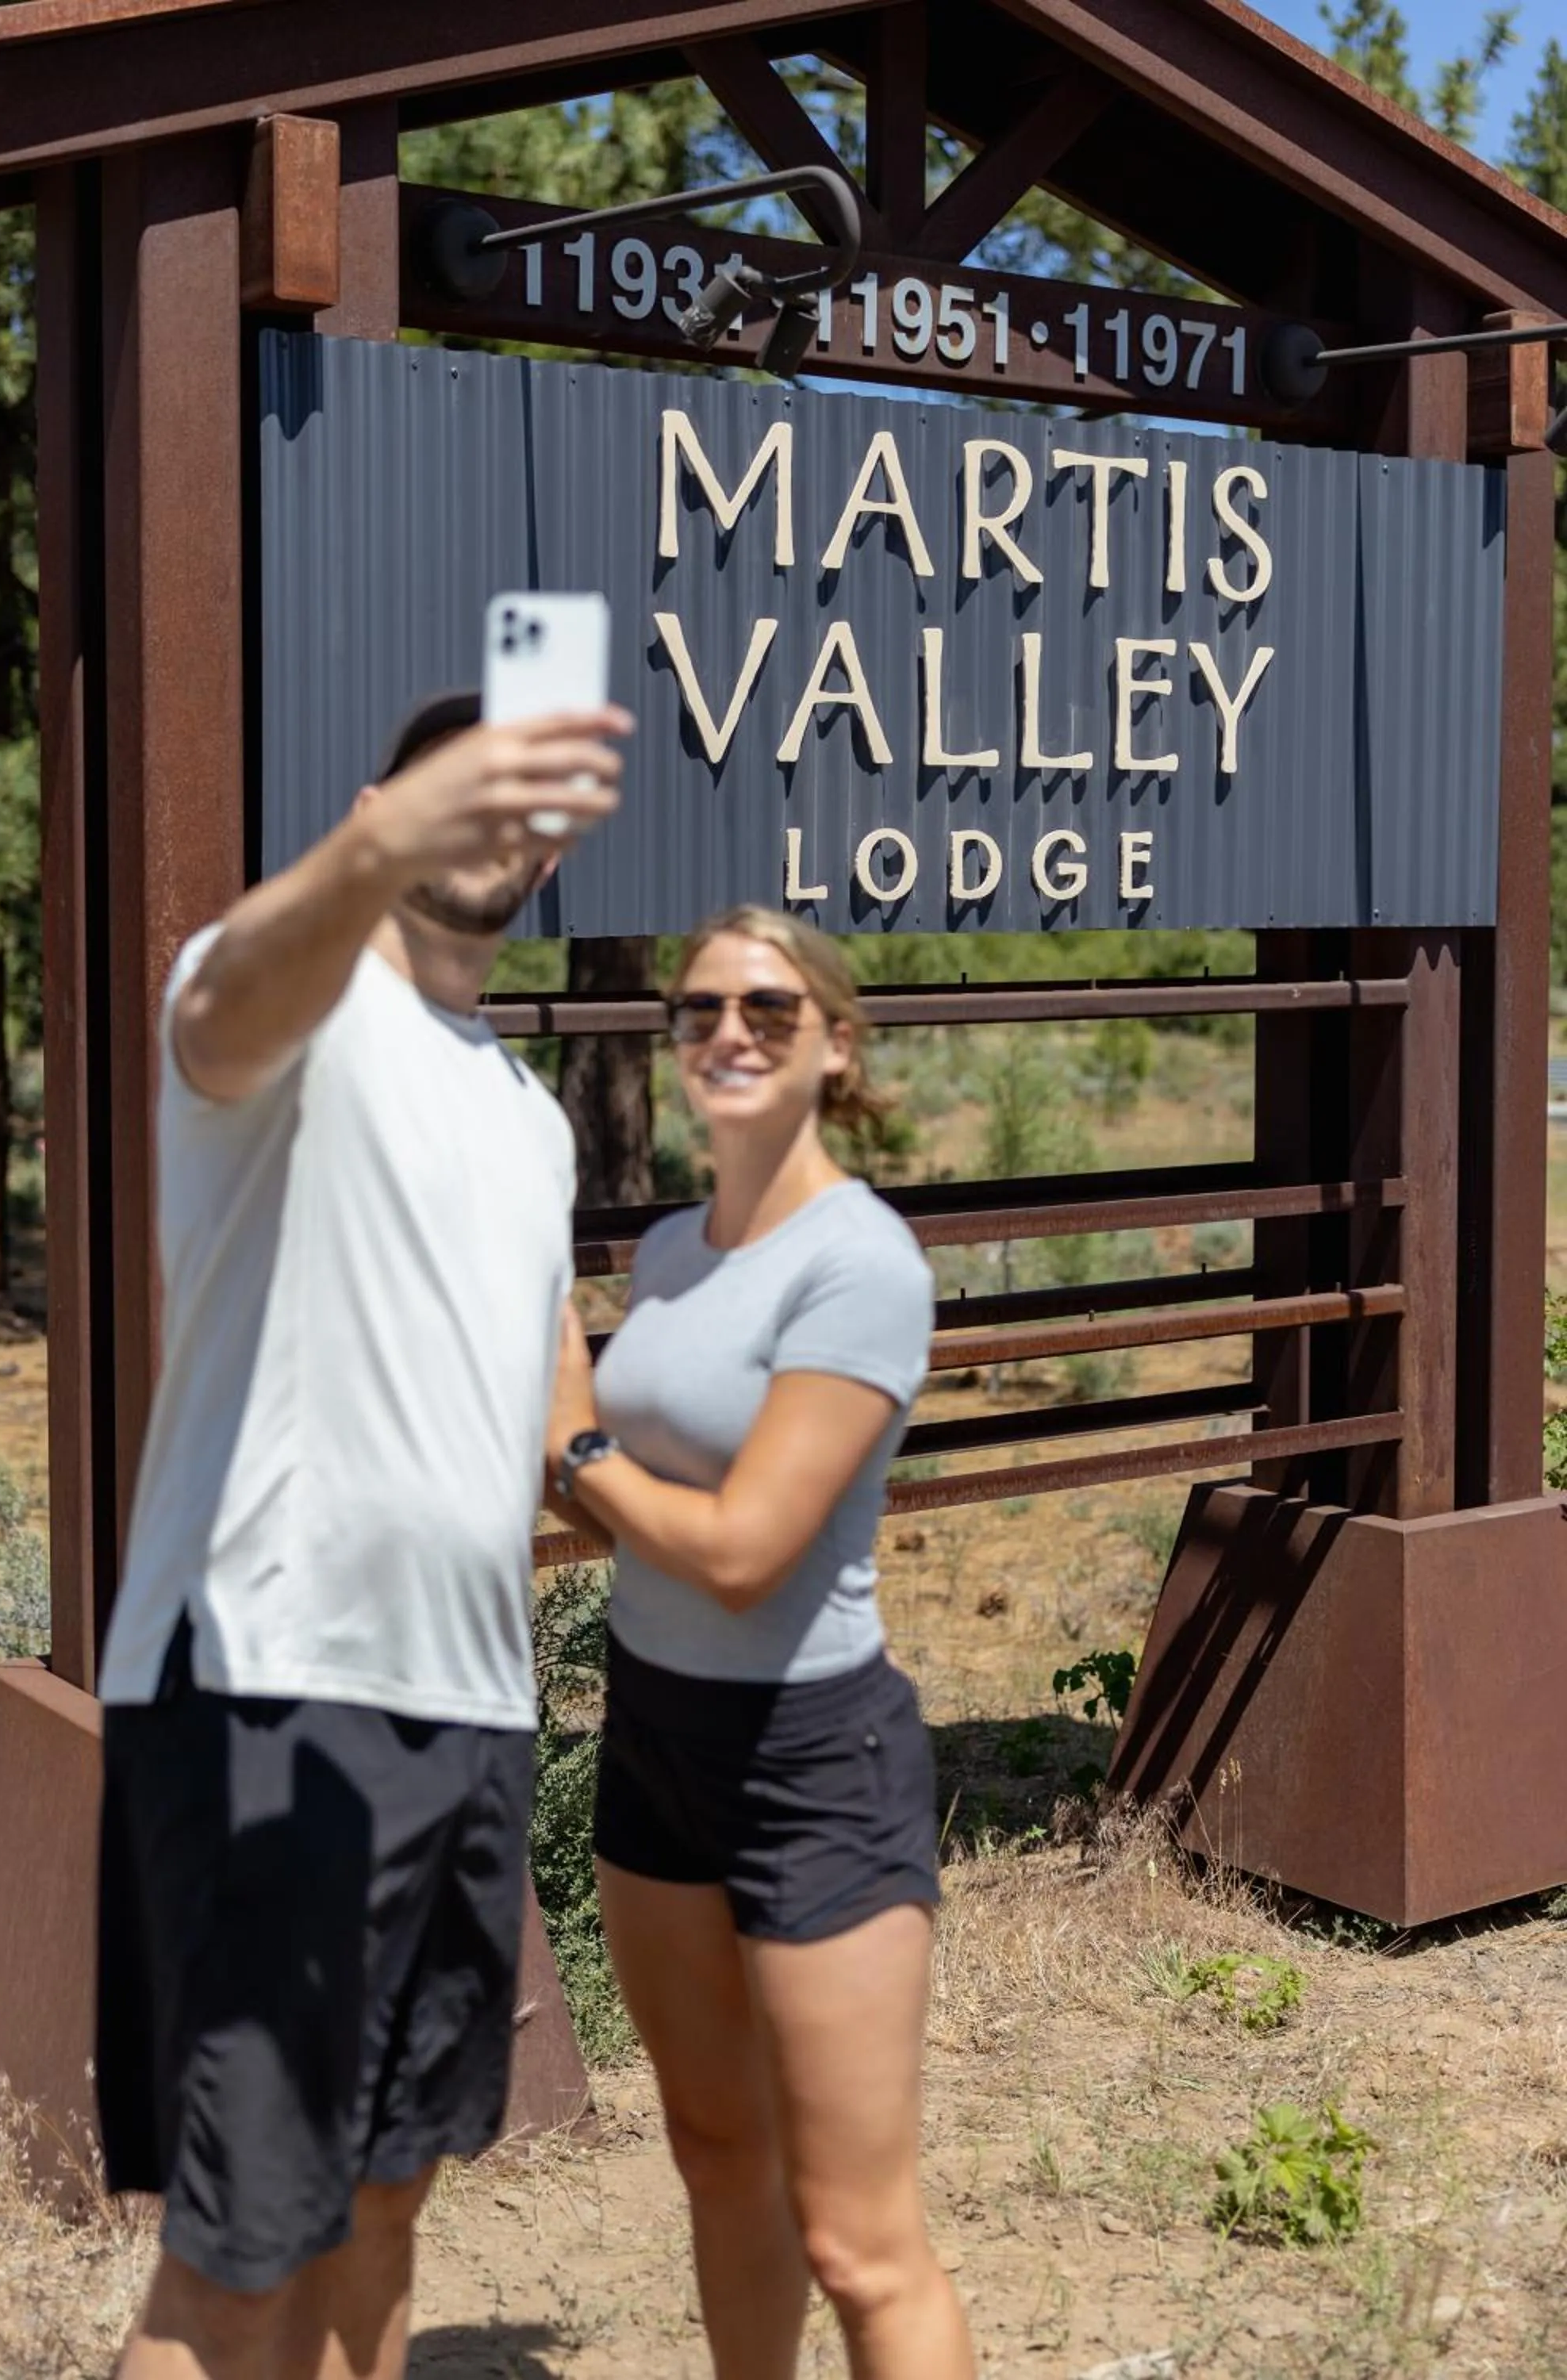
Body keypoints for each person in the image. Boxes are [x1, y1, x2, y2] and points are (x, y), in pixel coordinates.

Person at [94, 687, 630, 2380]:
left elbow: (546, 1390)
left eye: (521, 802)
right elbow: (226, 1004)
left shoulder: (528, 1117)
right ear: (372, 809)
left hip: (468, 1711)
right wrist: (386, 841)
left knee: (390, 2198)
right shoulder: (274, 1003)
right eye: (447, 798)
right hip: (266, 1687)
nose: (491, 825)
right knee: (240, 2264)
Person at [543, 905, 976, 2380]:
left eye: (771, 1012)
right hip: (652, 1737)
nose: (729, 1032)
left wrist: (573, 1440)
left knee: (861, 2240)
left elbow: (739, 1550)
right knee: (717, 2155)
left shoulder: (861, 1264)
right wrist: (575, 1444)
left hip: (812, 1761)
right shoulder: (670, 1253)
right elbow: (633, 1515)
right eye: (701, 1010)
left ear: (836, 1046)